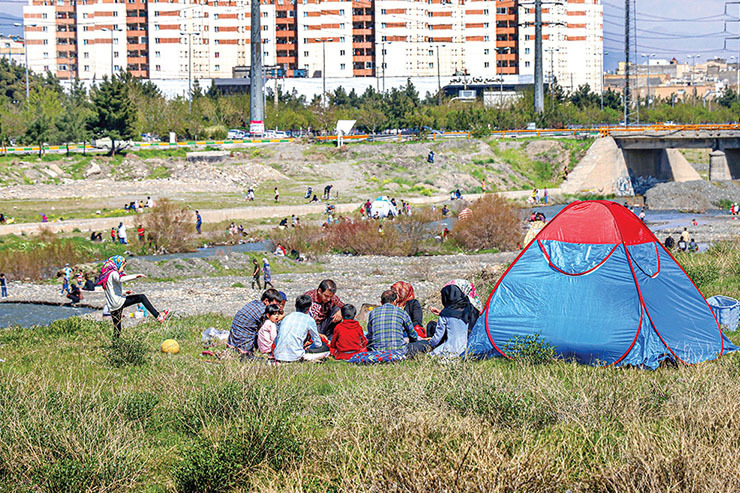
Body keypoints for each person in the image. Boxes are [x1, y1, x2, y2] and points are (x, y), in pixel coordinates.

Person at [98, 255, 169, 340]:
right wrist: (136, 276)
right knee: (141, 297)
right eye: (123, 266)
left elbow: (112, 291)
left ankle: (114, 345)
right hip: (118, 302)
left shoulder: (107, 275)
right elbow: (120, 279)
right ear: (117, 264)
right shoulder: (113, 273)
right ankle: (158, 316)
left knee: (117, 328)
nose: (123, 269)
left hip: (112, 306)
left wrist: (125, 292)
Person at [366, 290, 430, 358]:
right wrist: (413, 342)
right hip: (399, 352)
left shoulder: (373, 313)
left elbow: (370, 335)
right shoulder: (401, 312)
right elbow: (412, 334)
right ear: (395, 301)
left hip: (378, 352)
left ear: (381, 302)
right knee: (425, 344)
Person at [273, 295, 330, 363]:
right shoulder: (309, 320)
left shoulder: (287, 317)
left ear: (295, 305)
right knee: (326, 349)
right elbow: (318, 343)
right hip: (295, 356)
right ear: (309, 308)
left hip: (278, 355)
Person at [229, 289, 283, 354]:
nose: (276, 307)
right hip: (244, 345)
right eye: (274, 305)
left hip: (232, 341)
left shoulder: (255, 303)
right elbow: (274, 328)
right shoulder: (264, 311)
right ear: (266, 301)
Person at [430, 285, 478, 357]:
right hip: (469, 349)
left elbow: (437, 337)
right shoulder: (470, 308)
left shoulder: (445, 313)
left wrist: (429, 344)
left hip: (451, 349)